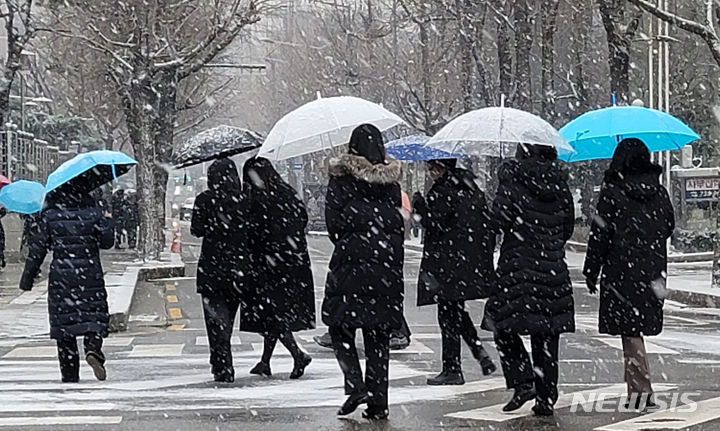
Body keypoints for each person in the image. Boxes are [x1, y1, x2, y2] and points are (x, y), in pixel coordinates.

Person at [482, 144, 575, 416]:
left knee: (499, 322)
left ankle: (523, 380)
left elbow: (497, 222)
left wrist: (500, 192)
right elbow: (567, 226)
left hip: (517, 268)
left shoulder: (512, 182)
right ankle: (546, 397)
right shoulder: (561, 185)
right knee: (546, 333)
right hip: (553, 269)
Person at [583, 138, 674, 410]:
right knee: (636, 329)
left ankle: (640, 390)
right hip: (653, 270)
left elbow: (600, 235)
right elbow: (667, 226)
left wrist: (591, 270)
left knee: (630, 331)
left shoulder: (613, 192)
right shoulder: (659, 192)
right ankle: (636, 386)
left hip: (621, 270)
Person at [322, 124, 405, 420]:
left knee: (340, 327)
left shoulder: (341, 181)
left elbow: (333, 225)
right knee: (378, 336)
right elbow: (398, 225)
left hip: (350, 267)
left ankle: (356, 384)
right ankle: (379, 403)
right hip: (386, 269)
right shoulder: (392, 184)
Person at [19, 183, 114, 383]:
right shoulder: (92, 211)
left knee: (65, 327)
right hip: (90, 273)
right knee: (94, 317)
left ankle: (70, 375)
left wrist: (27, 279)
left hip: (62, 277)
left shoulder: (51, 215)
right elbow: (107, 242)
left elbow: (38, 248)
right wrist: (107, 220)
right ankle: (93, 349)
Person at [413, 158, 497, 385]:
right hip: (467, 262)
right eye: (430, 168)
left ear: (445, 168)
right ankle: (480, 355)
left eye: (435, 168)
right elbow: (485, 226)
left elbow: (434, 225)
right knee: (456, 312)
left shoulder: (442, 191)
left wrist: (420, 207)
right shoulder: (472, 189)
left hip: (446, 264)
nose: (431, 172)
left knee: (448, 316)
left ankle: (452, 368)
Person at [241, 157, 315, 379]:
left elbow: (255, 232)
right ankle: (265, 361)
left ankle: (297, 354)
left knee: (271, 315)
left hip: (269, 265)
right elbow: (302, 221)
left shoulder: (260, 199)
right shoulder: (288, 193)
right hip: (294, 263)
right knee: (274, 314)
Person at [191, 158, 250, 383]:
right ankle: (222, 358)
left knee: (215, 320)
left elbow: (196, 230)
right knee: (228, 318)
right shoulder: (244, 199)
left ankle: (221, 362)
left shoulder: (205, 200)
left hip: (212, 267)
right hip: (239, 267)